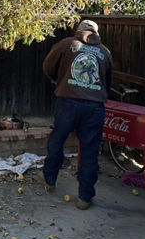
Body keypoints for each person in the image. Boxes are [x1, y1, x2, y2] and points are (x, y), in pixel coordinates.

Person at [40, 19, 113, 209]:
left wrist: (57, 80)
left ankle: (49, 179)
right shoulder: (105, 52)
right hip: (95, 107)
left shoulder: (67, 44)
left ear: (78, 31)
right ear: (97, 33)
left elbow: (47, 66)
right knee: (90, 151)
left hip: (68, 103)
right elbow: (107, 81)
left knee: (57, 141)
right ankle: (84, 198)